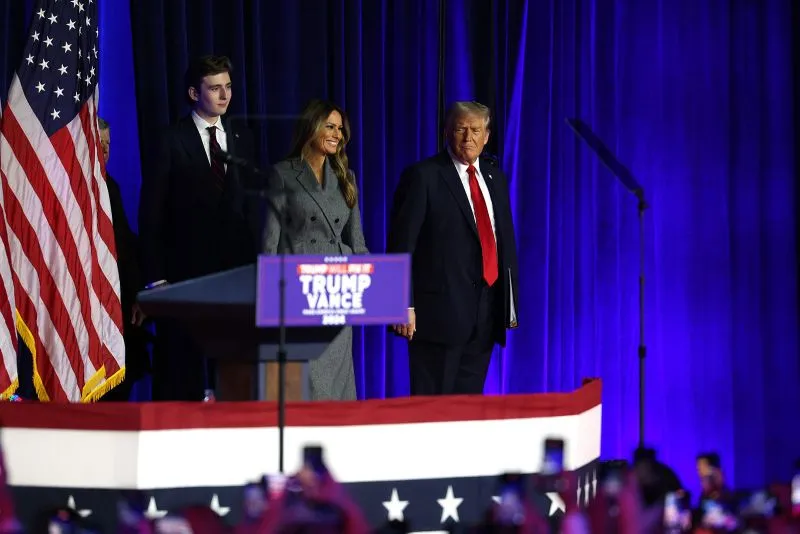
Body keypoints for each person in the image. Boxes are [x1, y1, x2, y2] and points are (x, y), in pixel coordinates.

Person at [138, 55, 260, 401]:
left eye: (229, 87)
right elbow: (152, 212)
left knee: (234, 372)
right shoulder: (171, 139)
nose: (225, 95)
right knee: (185, 372)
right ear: (194, 92)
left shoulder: (242, 137)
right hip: (185, 275)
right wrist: (157, 276)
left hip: (235, 276)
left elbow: (252, 209)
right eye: (215, 88)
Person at [387, 101, 519, 396]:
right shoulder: (424, 176)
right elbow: (401, 244)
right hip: (437, 319)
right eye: (460, 129)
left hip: (484, 317)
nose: (468, 137)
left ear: (487, 136)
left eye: (476, 130)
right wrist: (401, 304)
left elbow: (503, 241)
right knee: (432, 416)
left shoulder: (494, 177)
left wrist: (509, 305)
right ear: (447, 131)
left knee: (468, 415)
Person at [262, 99, 368, 401]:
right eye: (330, 126)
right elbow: (269, 244)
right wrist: (269, 305)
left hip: (337, 290)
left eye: (340, 129)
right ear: (311, 127)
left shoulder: (347, 178)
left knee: (338, 385)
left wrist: (374, 289)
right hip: (298, 292)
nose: (337, 134)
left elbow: (358, 244)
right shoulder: (282, 174)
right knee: (305, 386)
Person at [96, 118, 150, 401]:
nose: (104, 150)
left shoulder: (111, 187)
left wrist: (140, 295)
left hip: (119, 308)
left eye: (108, 144)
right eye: (99, 142)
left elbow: (125, 249)